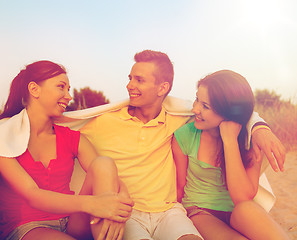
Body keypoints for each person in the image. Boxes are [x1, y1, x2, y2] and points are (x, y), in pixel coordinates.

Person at [77, 50, 286, 240]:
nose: (129, 85)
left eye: (139, 80)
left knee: (246, 211)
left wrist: (257, 128)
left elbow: (242, 197)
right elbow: (63, 128)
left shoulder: (182, 120)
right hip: (188, 212)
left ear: (163, 88)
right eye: (130, 78)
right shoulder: (183, 130)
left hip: (218, 211)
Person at [0, 60, 134, 240]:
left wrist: (120, 200)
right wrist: (93, 204)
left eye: (68, 89)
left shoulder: (71, 138)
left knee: (103, 162)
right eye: (61, 87)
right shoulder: (4, 136)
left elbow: (106, 174)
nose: (68, 96)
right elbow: (33, 194)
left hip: (72, 221)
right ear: (34, 89)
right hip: (28, 226)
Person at [172, 70, 289, 239]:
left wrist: (229, 140)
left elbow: (242, 198)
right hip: (199, 211)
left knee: (248, 211)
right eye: (197, 99)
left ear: (227, 113)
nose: (195, 109)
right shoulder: (185, 135)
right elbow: (179, 188)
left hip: (237, 211)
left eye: (205, 106)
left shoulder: (251, 140)